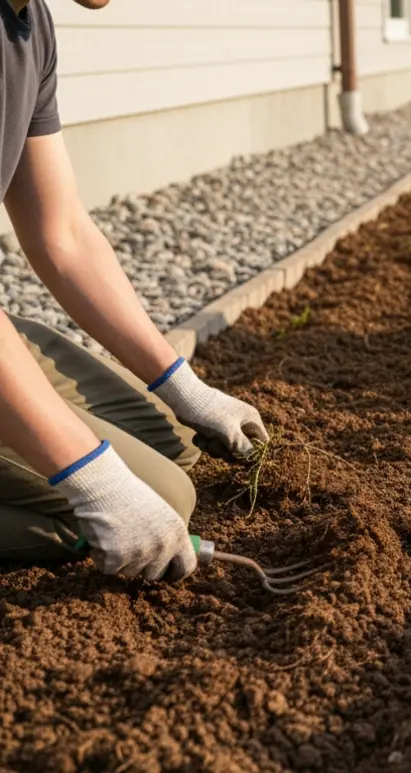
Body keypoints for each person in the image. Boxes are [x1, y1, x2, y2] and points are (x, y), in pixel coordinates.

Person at [0, 0, 268, 582]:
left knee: (174, 442)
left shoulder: (31, 23)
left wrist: (187, 389)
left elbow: (62, 234)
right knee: (161, 497)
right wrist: (93, 480)